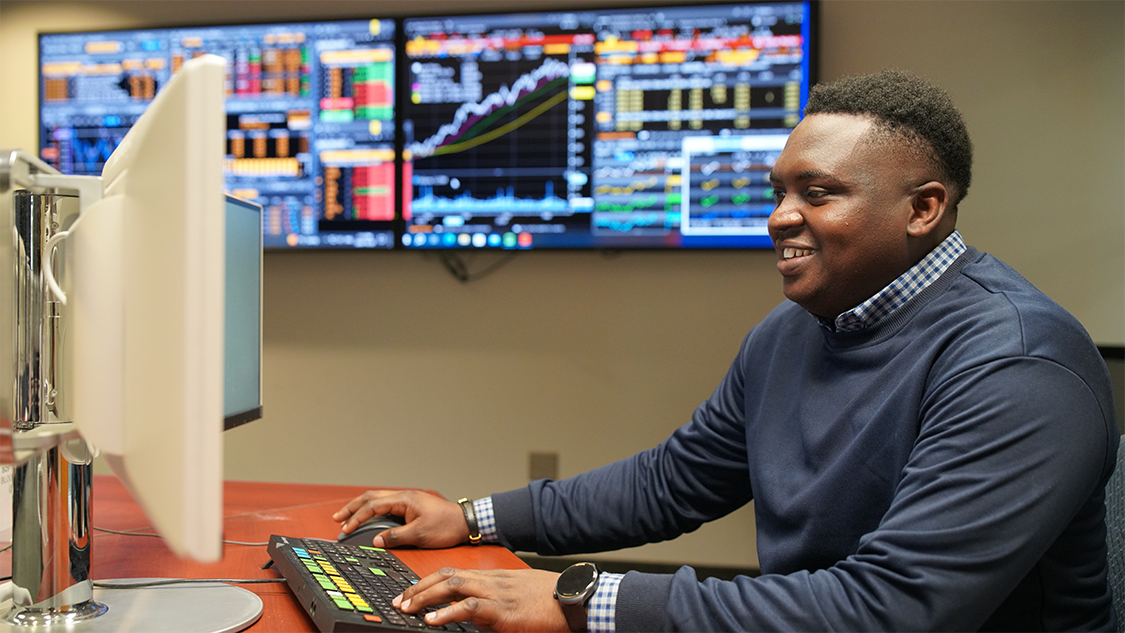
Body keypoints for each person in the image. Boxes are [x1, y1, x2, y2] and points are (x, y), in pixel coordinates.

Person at [334, 69, 1119, 632]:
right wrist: (471, 517)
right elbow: (671, 483)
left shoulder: (1016, 362)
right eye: (778, 191)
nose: (779, 217)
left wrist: (578, 597)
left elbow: (893, 608)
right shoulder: (792, 331)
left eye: (817, 192)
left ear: (922, 209)